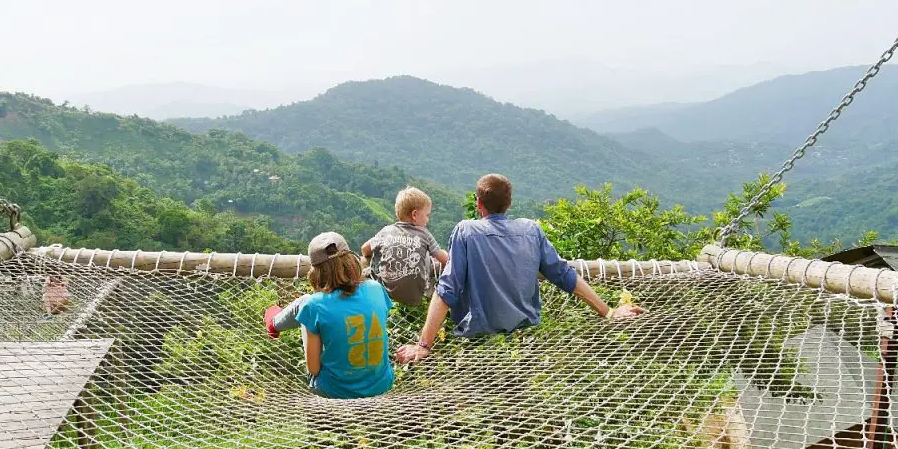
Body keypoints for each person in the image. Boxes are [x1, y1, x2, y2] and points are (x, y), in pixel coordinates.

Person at [396, 174, 643, 364]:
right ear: (509, 203)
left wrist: (424, 346)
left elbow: (447, 290)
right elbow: (563, 275)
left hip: (477, 341)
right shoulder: (530, 230)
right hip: (526, 338)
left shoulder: (466, 231)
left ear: (478, 203)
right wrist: (608, 312)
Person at [264, 231, 395, 399]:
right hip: (380, 384)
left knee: (306, 303)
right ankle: (274, 322)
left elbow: (314, 369)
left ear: (316, 272)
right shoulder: (376, 288)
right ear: (351, 261)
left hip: (334, 391)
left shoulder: (315, 305)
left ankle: (274, 323)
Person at [360, 186, 449, 306]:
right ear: (414, 215)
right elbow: (445, 260)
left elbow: (364, 249)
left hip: (384, 293)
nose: (428, 219)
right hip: (415, 297)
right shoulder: (425, 234)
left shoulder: (387, 231)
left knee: (372, 256)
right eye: (427, 215)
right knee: (430, 255)